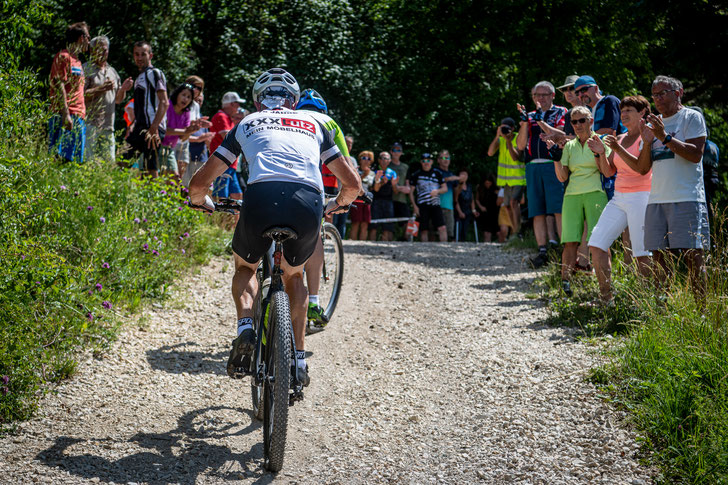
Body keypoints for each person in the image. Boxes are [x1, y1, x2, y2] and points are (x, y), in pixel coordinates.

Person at [188, 68, 361, 385]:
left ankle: (245, 328)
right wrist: (338, 203)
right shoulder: (314, 124)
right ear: (293, 102)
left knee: (246, 268)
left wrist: (202, 200)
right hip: (307, 201)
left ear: (256, 102)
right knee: (296, 278)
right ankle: (297, 362)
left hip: (260, 199)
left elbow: (199, 183)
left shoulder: (246, 123)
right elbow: (352, 183)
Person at [638, 76, 709, 300]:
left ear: (678, 93)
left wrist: (665, 137)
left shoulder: (691, 117)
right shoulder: (652, 124)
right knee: (659, 257)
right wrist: (648, 142)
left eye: (662, 93)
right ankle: (663, 307)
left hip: (686, 197)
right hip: (657, 199)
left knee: (692, 256)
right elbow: (642, 169)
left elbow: (695, 155)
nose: (657, 99)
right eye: (654, 95)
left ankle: (701, 311)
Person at [295, 88, 353, 327]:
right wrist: (349, 196)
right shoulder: (329, 123)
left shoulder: (287, 119)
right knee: (315, 232)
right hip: (312, 187)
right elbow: (347, 166)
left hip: (277, 185)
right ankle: (314, 302)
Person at [590, 96, 653, 304]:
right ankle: (606, 299)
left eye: (629, 111)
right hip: (619, 197)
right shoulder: (621, 137)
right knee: (597, 244)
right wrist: (599, 153)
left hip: (641, 197)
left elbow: (641, 169)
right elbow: (608, 172)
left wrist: (617, 149)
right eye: (622, 111)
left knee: (641, 253)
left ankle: (645, 303)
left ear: (642, 113)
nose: (623, 114)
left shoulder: (647, 136)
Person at [551, 106, 611, 296]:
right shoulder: (569, 146)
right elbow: (562, 177)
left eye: (582, 120)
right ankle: (565, 284)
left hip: (595, 192)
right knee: (570, 241)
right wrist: (556, 158)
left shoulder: (601, 142)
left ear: (591, 121)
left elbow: (605, 171)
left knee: (599, 241)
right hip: (572, 195)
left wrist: (599, 153)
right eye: (574, 121)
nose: (577, 125)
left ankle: (605, 287)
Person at [516, 81, 568, 268]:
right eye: (537, 95)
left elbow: (562, 134)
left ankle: (564, 250)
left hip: (552, 163)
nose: (541, 98)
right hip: (532, 165)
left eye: (545, 95)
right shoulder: (529, 116)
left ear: (553, 95)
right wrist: (524, 123)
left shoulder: (561, 112)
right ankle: (542, 250)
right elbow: (521, 145)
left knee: (558, 208)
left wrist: (541, 121)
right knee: (536, 210)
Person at [122, 41, 169, 177]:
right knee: (122, 162)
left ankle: (154, 197)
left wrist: (154, 127)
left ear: (151, 55)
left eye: (143, 54)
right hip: (140, 127)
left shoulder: (154, 73)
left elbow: (164, 102)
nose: (140, 58)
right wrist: (132, 124)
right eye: (137, 54)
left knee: (150, 168)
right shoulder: (139, 78)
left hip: (151, 127)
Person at [83, 35, 132, 162]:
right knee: (89, 164)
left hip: (108, 126)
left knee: (108, 165)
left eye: (105, 50)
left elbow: (118, 100)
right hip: (90, 125)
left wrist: (123, 89)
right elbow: (81, 96)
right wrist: (102, 89)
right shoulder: (86, 69)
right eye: (99, 50)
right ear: (92, 51)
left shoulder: (112, 72)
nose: (103, 53)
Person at [48, 22, 90, 164]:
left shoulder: (77, 61)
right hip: (66, 115)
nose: (89, 42)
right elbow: (58, 84)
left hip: (78, 116)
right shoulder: (63, 57)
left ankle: (66, 187)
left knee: (74, 162)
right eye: (88, 38)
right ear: (81, 38)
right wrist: (65, 114)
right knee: (60, 160)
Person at [487, 117, 524, 235]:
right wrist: (498, 136)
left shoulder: (519, 137)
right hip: (507, 180)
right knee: (507, 206)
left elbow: (515, 157)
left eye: (507, 128)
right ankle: (515, 231)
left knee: (514, 203)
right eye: (502, 128)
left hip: (519, 179)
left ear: (513, 129)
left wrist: (508, 140)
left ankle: (518, 231)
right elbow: (490, 152)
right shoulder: (501, 140)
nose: (505, 130)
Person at [160, 83, 203, 178]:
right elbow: (164, 130)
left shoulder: (186, 112)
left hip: (169, 148)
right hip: (158, 145)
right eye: (183, 95)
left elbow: (183, 138)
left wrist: (192, 130)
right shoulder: (168, 105)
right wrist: (185, 131)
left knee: (175, 178)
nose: (186, 99)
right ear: (177, 94)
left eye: (189, 97)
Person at [210, 92, 245, 201]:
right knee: (221, 198)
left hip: (230, 164)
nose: (239, 107)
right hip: (222, 163)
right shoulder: (221, 116)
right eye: (237, 104)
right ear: (231, 104)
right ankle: (218, 218)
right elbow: (227, 137)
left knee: (237, 197)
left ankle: (233, 218)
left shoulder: (228, 118)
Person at [407, 153, 447, 242]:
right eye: (424, 161)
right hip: (422, 205)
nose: (426, 162)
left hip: (435, 204)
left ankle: (445, 248)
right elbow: (411, 192)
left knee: (442, 228)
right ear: (421, 162)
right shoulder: (416, 174)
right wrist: (414, 206)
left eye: (428, 160)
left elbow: (445, 188)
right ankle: (423, 250)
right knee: (423, 230)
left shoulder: (438, 173)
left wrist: (437, 191)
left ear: (432, 162)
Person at [369, 151, 397, 241]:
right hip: (376, 201)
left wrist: (393, 185)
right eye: (383, 158)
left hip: (389, 201)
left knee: (388, 227)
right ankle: (370, 246)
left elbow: (396, 191)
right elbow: (375, 189)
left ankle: (386, 247)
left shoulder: (392, 172)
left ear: (390, 160)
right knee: (373, 226)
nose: (385, 160)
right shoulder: (374, 171)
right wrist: (381, 182)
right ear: (379, 160)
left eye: (387, 158)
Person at [349, 150, 375, 240]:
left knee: (365, 223)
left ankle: (362, 244)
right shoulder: (356, 170)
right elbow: (354, 182)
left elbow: (373, 188)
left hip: (367, 199)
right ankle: (352, 243)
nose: (366, 160)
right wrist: (364, 175)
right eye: (364, 158)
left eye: (369, 158)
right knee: (355, 223)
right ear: (360, 160)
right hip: (356, 198)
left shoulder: (372, 173)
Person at [435, 150, 460, 240]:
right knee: (435, 233)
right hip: (436, 205)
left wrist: (461, 182)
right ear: (438, 160)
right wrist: (449, 179)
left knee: (450, 233)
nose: (446, 160)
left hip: (449, 207)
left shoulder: (451, 174)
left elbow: (456, 190)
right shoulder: (435, 171)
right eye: (443, 158)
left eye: (448, 158)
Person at [454, 168, 479, 241]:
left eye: (465, 174)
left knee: (465, 230)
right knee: (459, 229)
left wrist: (474, 210)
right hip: (459, 210)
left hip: (467, 211)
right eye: (462, 174)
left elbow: (472, 199)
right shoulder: (456, 186)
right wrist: (460, 212)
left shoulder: (469, 186)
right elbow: (456, 200)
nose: (464, 176)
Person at [475, 174, 499, 242]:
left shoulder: (496, 189)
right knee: (487, 233)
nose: (488, 185)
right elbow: (476, 199)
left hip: (495, 212)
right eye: (486, 183)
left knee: (499, 232)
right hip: (485, 212)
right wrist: (481, 207)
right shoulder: (479, 188)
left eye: (489, 183)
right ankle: (487, 248)